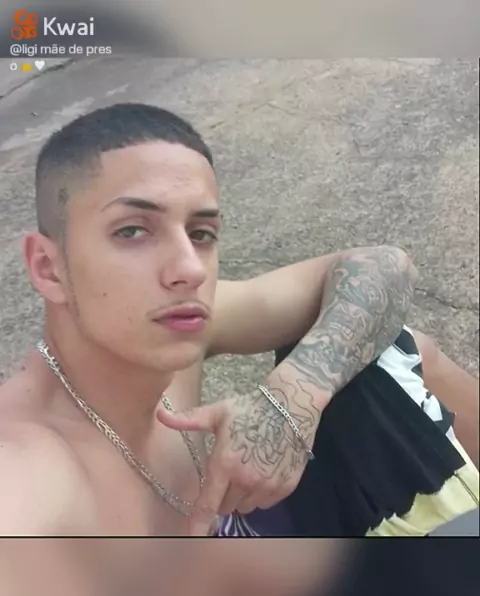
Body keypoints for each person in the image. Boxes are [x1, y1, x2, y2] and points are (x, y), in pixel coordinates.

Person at [0, 103, 477, 544]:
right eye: (132, 231)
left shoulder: (171, 320)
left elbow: (384, 267)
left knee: (383, 352)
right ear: (48, 267)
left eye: (201, 233)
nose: (189, 268)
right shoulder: (27, 478)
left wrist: (292, 400)